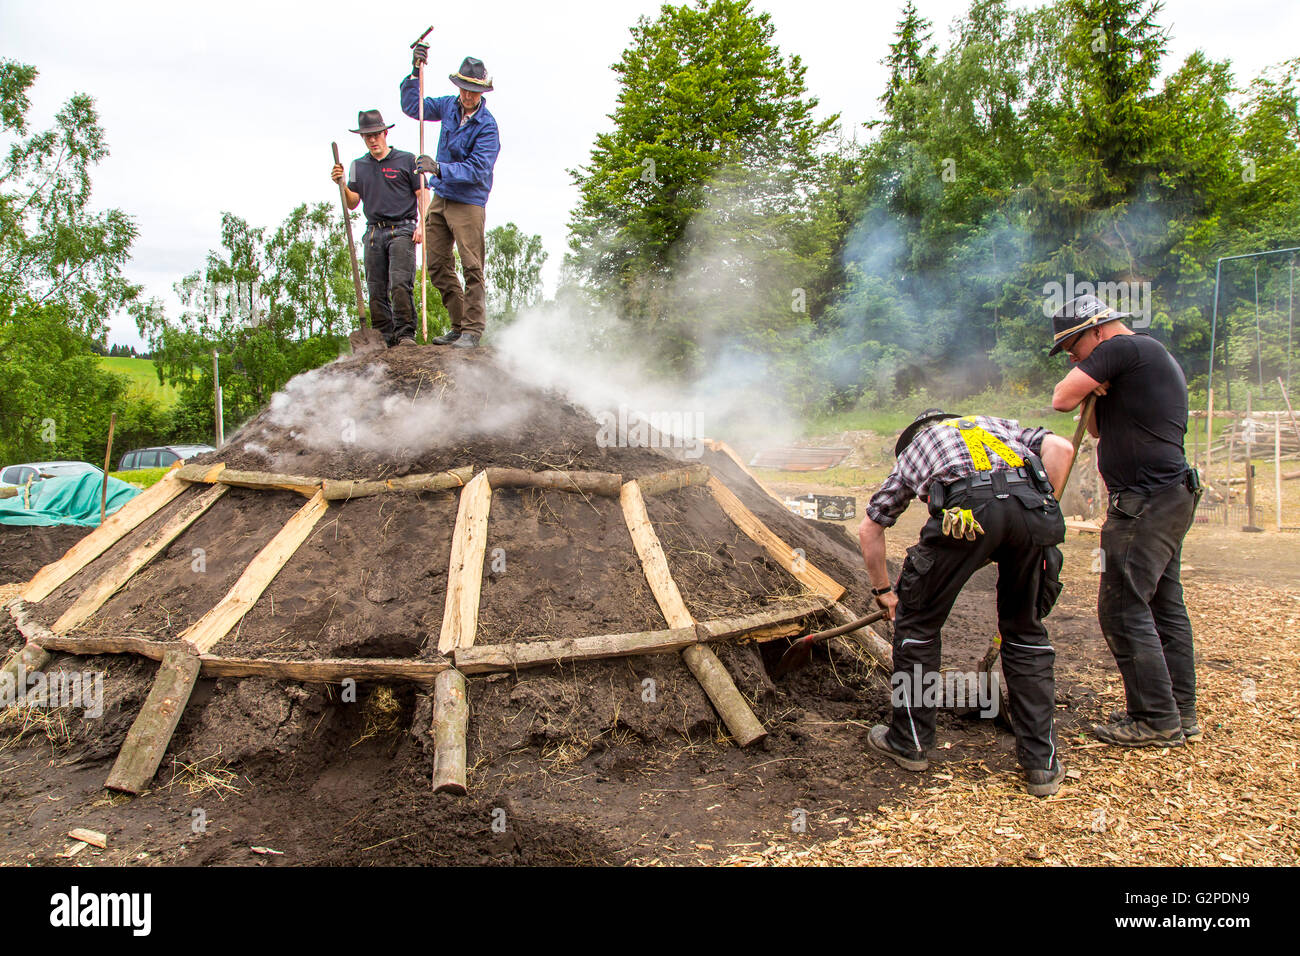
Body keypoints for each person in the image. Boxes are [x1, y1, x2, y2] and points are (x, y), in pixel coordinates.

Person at [859, 409, 1075, 796]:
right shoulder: (995, 424)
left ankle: (909, 742)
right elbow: (1061, 448)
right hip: (1033, 511)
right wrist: (1027, 519)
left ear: (912, 438)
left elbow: (872, 524)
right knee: (1025, 632)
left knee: (918, 627)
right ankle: (1041, 764)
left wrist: (884, 592)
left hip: (964, 513)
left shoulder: (915, 451)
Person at [1050, 293, 1202, 747]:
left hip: (1145, 502)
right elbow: (1094, 429)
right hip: (1168, 496)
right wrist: (1095, 388)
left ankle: (1155, 718)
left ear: (1096, 330)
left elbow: (1060, 398)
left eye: (1072, 347)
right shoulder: (1142, 358)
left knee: (1121, 607)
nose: (1072, 357)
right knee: (1162, 604)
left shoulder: (1122, 347)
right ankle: (1178, 711)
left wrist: (1085, 380)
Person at [401, 45, 501, 349]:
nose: (467, 96)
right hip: (442, 198)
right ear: (457, 86)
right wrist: (414, 72)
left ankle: (472, 330)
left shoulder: (488, 127)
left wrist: (439, 167)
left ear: (482, 91)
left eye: (473, 91)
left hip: (468, 201)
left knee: (472, 266)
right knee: (437, 264)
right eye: (463, 89)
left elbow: (477, 169)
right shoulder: (447, 106)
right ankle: (459, 326)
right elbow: (413, 107)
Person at [331, 110, 425, 347]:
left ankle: (405, 334)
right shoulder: (358, 166)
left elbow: (422, 193)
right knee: (375, 288)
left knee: (400, 283)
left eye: (375, 134)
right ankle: (384, 336)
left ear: (385, 132)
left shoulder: (407, 160)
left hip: (402, 229)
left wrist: (424, 224)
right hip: (373, 232)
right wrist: (342, 184)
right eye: (366, 136)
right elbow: (352, 203)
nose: (372, 140)